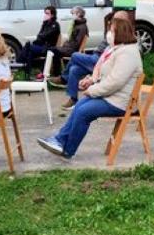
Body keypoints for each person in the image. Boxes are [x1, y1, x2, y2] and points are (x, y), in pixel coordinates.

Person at [35, 16, 142, 159]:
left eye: (111, 30)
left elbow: (115, 82)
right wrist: (90, 80)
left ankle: (68, 150)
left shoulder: (128, 53)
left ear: (120, 33)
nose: (108, 34)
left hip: (120, 102)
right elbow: (106, 74)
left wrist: (93, 91)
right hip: (112, 97)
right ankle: (59, 141)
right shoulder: (117, 49)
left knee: (83, 112)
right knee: (80, 105)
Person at [52, 12, 113, 110]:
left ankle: (63, 78)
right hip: (95, 57)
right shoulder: (109, 32)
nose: (108, 25)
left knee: (74, 55)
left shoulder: (115, 35)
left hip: (100, 60)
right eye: (108, 23)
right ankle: (73, 99)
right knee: (74, 69)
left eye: (110, 23)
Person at [15, 5, 61, 72]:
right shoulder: (45, 24)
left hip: (48, 48)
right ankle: (28, 72)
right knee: (30, 52)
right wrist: (42, 30)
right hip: (42, 46)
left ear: (52, 15)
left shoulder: (55, 25)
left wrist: (40, 36)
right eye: (45, 13)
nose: (45, 15)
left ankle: (19, 61)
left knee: (28, 46)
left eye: (47, 13)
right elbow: (39, 36)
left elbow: (44, 36)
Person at [48, 7, 88, 79]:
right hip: (69, 47)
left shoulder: (82, 27)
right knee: (52, 49)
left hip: (71, 50)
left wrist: (65, 46)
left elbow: (76, 43)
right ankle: (54, 73)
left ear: (78, 14)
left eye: (73, 13)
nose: (72, 15)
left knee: (53, 50)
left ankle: (56, 74)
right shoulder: (77, 24)